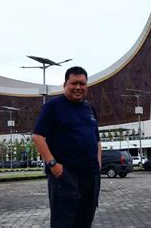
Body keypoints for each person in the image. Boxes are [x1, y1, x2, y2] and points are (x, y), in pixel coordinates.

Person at [33, 66, 101, 228]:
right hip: (65, 176)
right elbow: (38, 137)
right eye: (74, 83)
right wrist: (53, 165)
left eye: (82, 83)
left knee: (85, 220)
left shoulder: (89, 108)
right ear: (65, 85)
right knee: (63, 221)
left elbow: (97, 139)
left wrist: (98, 162)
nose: (78, 87)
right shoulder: (53, 106)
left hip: (90, 176)